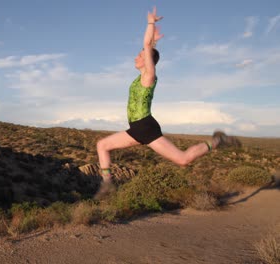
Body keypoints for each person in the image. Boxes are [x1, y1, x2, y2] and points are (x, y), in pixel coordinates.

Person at [95, 7, 240, 199]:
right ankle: (107, 185)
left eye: (140, 56)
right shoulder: (141, 77)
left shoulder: (149, 76)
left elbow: (147, 48)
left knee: (182, 160)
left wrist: (150, 23)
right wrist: (155, 41)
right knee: (102, 145)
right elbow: (150, 49)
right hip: (136, 128)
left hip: (145, 127)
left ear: (148, 61)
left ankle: (217, 140)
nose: (136, 57)